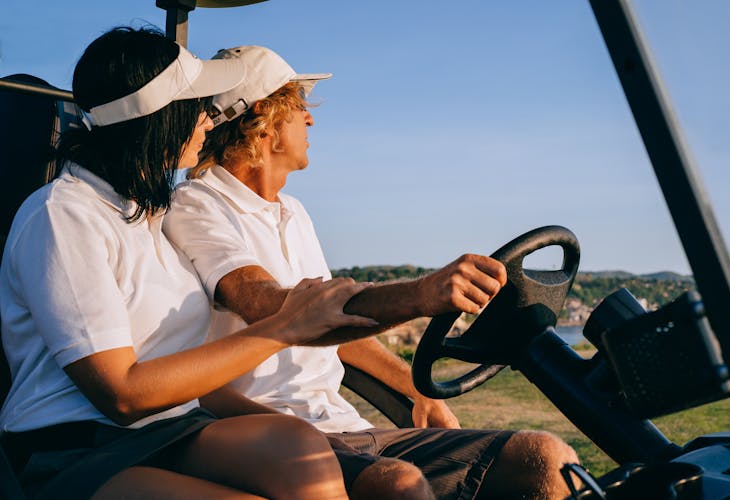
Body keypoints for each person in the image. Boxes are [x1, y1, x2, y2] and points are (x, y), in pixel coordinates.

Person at [163, 45, 580, 499]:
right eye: (300, 107)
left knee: (546, 460)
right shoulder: (197, 206)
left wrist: (420, 391)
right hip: (264, 439)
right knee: (398, 487)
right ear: (264, 115)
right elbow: (267, 305)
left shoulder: (294, 213)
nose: (311, 120)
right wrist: (422, 294)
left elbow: (338, 323)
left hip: (344, 425)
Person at [0, 28, 378, 500]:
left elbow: (175, 369)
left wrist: (297, 426)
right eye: (196, 104)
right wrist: (283, 327)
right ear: (158, 116)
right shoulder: (62, 215)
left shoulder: (148, 215)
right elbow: (123, 395)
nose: (207, 119)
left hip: (169, 427)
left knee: (299, 448)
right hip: (78, 444)